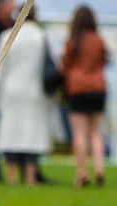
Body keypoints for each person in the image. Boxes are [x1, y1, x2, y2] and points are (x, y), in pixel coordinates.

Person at [0, 5, 51, 186]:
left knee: (10, 136)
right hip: (35, 93)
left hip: (11, 91)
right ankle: (30, 179)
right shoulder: (41, 36)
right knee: (32, 137)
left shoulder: (7, 36)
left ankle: (11, 179)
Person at [62, 5, 108, 188]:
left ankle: (81, 173)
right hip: (98, 88)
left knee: (79, 133)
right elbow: (104, 61)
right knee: (96, 132)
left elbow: (65, 65)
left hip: (78, 89)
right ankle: (99, 169)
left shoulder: (74, 40)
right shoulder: (98, 40)